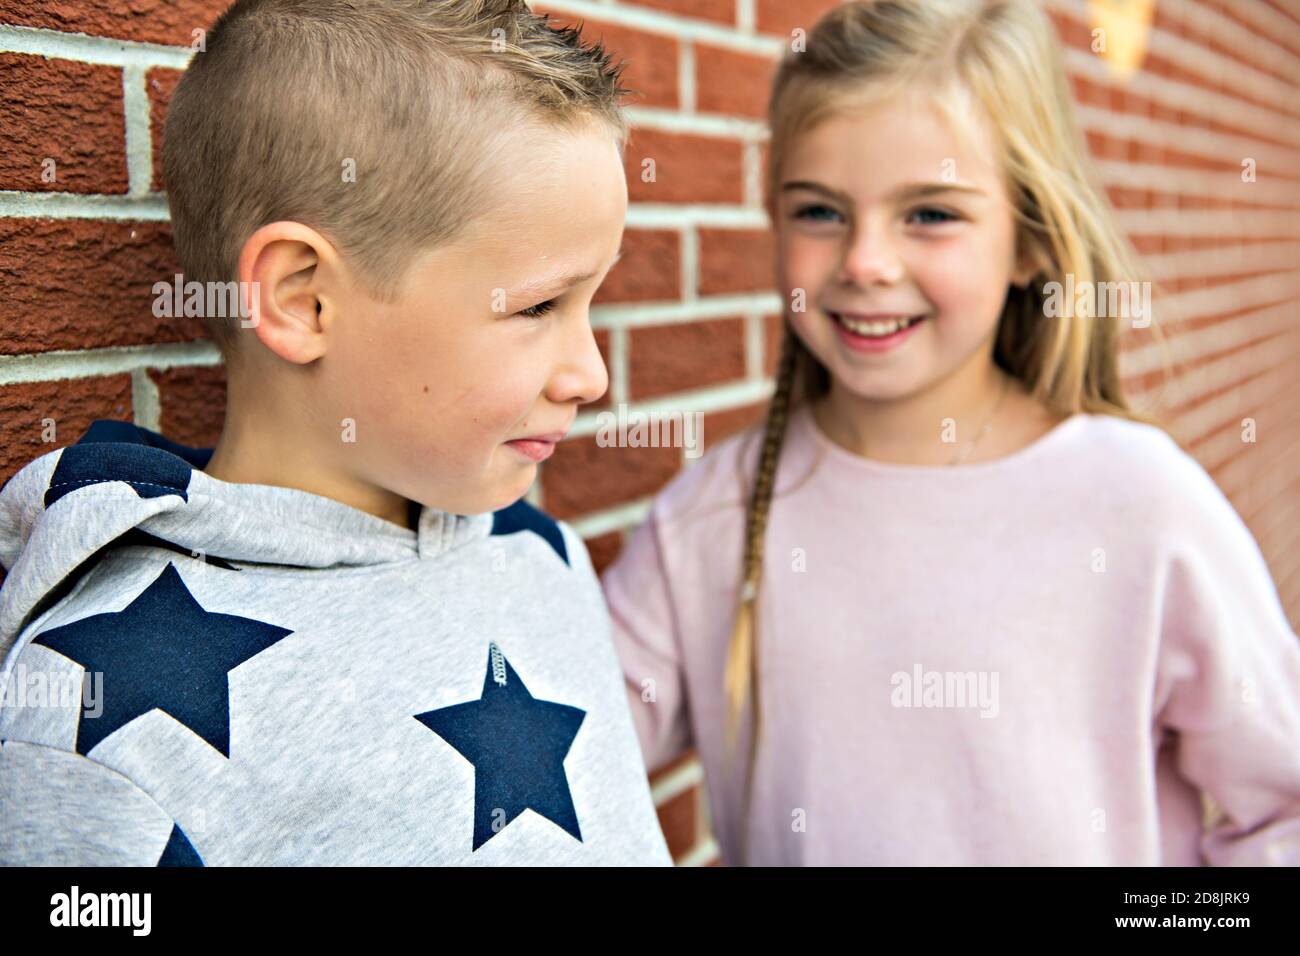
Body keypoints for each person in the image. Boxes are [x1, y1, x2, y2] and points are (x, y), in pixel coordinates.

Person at [601, 0, 1300, 866]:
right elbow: (566, 760)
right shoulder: (708, 518)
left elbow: (1282, 810)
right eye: (820, 211)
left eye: (930, 213)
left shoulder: (1140, 502)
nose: (864, 262)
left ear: (1030, 242)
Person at [0, 0, 671, 866]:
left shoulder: (541, 553)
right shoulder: (92, 720)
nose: (592, 377)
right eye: (540, 305)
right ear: (301, 299)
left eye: (590, 301)